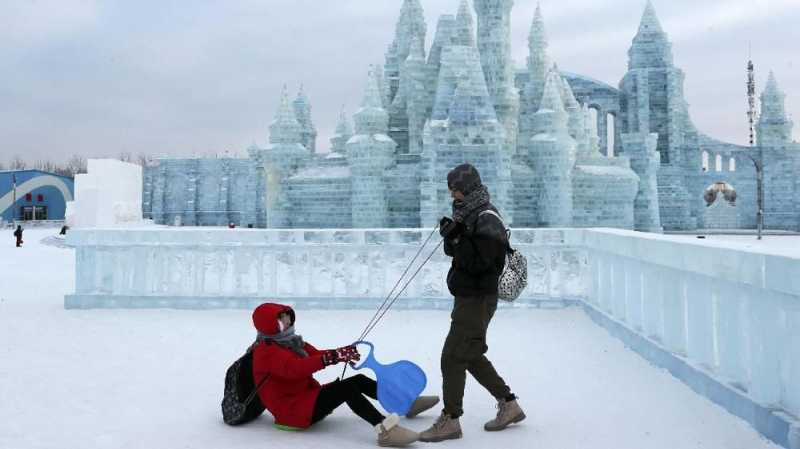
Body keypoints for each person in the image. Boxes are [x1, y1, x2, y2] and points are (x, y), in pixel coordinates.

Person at [419, 163, 525, 442]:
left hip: (478, 299)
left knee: (452, 357)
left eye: (456, 189)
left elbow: (481, 263)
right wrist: (453, 235)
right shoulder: (469, 213)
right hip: (468, 296)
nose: (453, 194)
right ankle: (509, 404)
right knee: (470, 354)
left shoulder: (488, 218)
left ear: (467, 187)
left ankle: (451, 420)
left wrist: (457, 236)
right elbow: (456, 252)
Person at [251, 302, 439, 447]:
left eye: (287, 317)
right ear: (270, 326)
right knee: (347, 389)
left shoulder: (290, 341)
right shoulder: (265, 352)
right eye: (281, 319)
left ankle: (406, 403)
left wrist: (341, 353)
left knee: (358, 380)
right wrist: (331, 358)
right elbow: (296, 368)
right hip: (292, 411)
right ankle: (386, 431)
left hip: (303, 399)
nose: (287, 321)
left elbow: (316, 354)